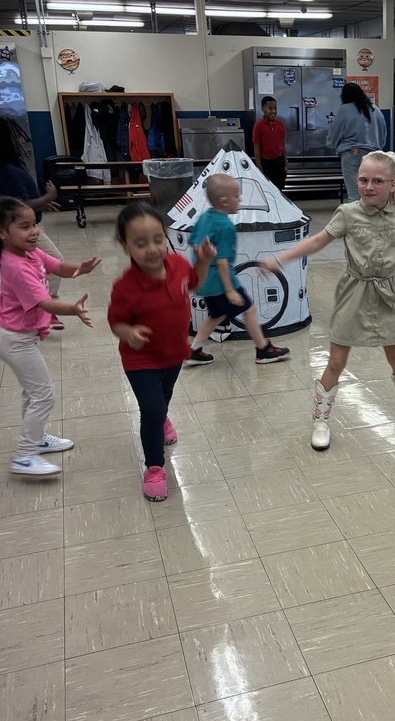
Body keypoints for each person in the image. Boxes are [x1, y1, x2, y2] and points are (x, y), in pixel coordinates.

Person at [262, 151, 395, 450]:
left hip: (387, 293)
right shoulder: (348, 213)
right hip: (353, 291)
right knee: (337, 360)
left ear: (392, 184)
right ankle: (321, 420)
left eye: (377, 181)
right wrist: (283, 257)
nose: (369, 187)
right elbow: (318, 240)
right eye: (363, 180)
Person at [107, 203, 217, 502]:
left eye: (157, 239)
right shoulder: (125, 288)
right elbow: (115, 322)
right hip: (140, 358)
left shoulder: (179, 265)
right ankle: (154, 466)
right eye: (140, 243)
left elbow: (195, 282)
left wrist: (204, 261)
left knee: (164, 397)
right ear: (125, 244)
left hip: (173, 353)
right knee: (151, 409)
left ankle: (162, 416)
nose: (152, 249)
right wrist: (128, 332)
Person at [0, 197, 99, 478]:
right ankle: (24, 455)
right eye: (24, 226)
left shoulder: (29, 254)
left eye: (34, 224)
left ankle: (37, 438)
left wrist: (82, 267)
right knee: (43, 395)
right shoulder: (15, 266)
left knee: (32, 391)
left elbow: (59, 268)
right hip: (14, 339)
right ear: (2, 232)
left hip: (19, 335)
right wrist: (73, 309)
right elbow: (44, 302)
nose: (34, 231)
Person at [186, 174, 289, 365]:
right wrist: (230, 290)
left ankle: (193, 351)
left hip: (204, 281)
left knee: (217, 314)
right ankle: (263, 350)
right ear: (225, 201)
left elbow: (194, 244)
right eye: (237, 195)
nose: (240, 199)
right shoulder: (225, 226)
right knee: (249, 309)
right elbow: (223, 262)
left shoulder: (205, 217)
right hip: (220, 281)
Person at [0, 117, 66, 328]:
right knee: (52, 261)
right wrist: (48, 197)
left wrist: (39, 206)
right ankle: (44, 307)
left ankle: (41, 306)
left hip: (23, 227)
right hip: (17, 231)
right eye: (13, 136)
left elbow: (19, 201)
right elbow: (18, 204)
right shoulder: (5, 169)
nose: (19, 141)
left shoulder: (12, 165)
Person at [327, 82, 388, 202]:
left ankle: (355, 220)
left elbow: (334, 134)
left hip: (352, 154)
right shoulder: (374, 109)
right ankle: (371, 219)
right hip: (373, 156)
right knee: (371, 192)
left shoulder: (344, 109)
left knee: (354, 194)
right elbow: (383, 135)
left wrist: (331, 144)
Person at [252, 96, 288, 192]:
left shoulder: (280, 124)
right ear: (263, 109)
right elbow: (256, 148)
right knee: (268, 190)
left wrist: (285, 162)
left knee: (279, 188)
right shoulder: (258, 126)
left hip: (279, 162)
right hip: (266, 163)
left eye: (275, 108)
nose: (273, 111)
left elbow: (283, 144)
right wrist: (259, 168)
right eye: (270, 108)